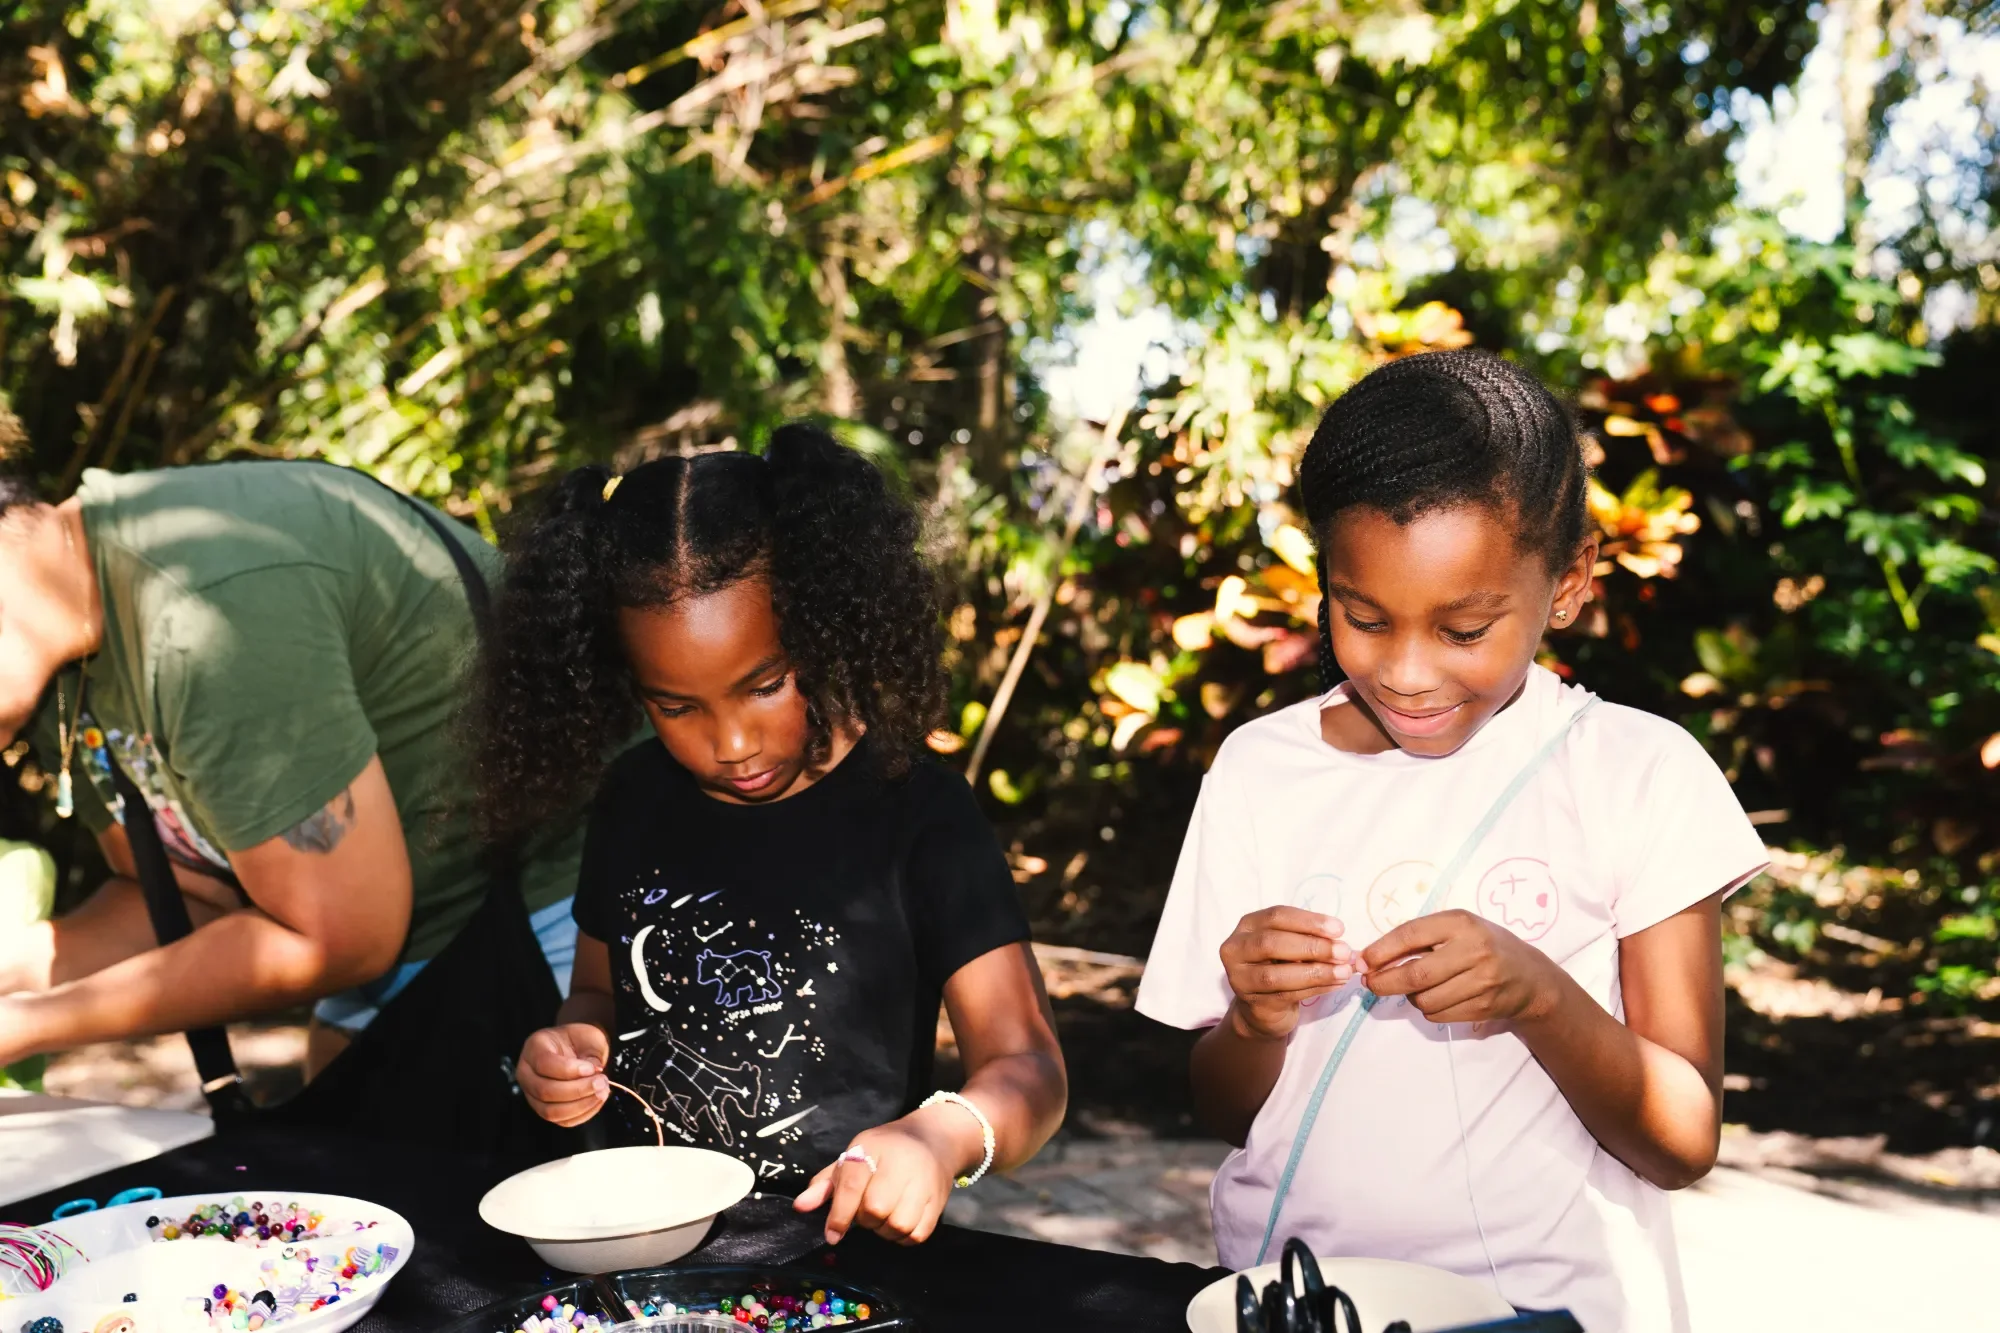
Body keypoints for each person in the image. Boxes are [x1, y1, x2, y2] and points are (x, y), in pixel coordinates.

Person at [1135, 350, 1766, 1333]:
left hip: (1549, 1309)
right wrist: (1255, 1021)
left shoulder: (1636, 772)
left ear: (1566, 583)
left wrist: (1537, 995)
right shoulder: (1259, 770)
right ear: (1324, 581)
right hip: (1303, 1305)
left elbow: (1681, 1138)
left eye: (1463, 627)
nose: (1407, 672)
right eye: (1362, 616)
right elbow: (1224, 1111)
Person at [479, 425, 1067, 1250]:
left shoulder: (919, 812)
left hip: (827, 1260)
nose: (730, 743)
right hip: (632, 1246)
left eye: (765, 685)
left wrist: (941, 1136)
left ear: (825, 628)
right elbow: (599, 997)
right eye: (675, 706)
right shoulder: (634, 796)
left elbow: (1030, 1067)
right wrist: (571, 1046)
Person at [0, 461, 583, 1099]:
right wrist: (16, 974)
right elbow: (186, 897)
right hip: (417, 953)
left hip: (563, 924)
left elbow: (338, 940)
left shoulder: (202, 614)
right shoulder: (72, 647)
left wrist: (27, 1024)